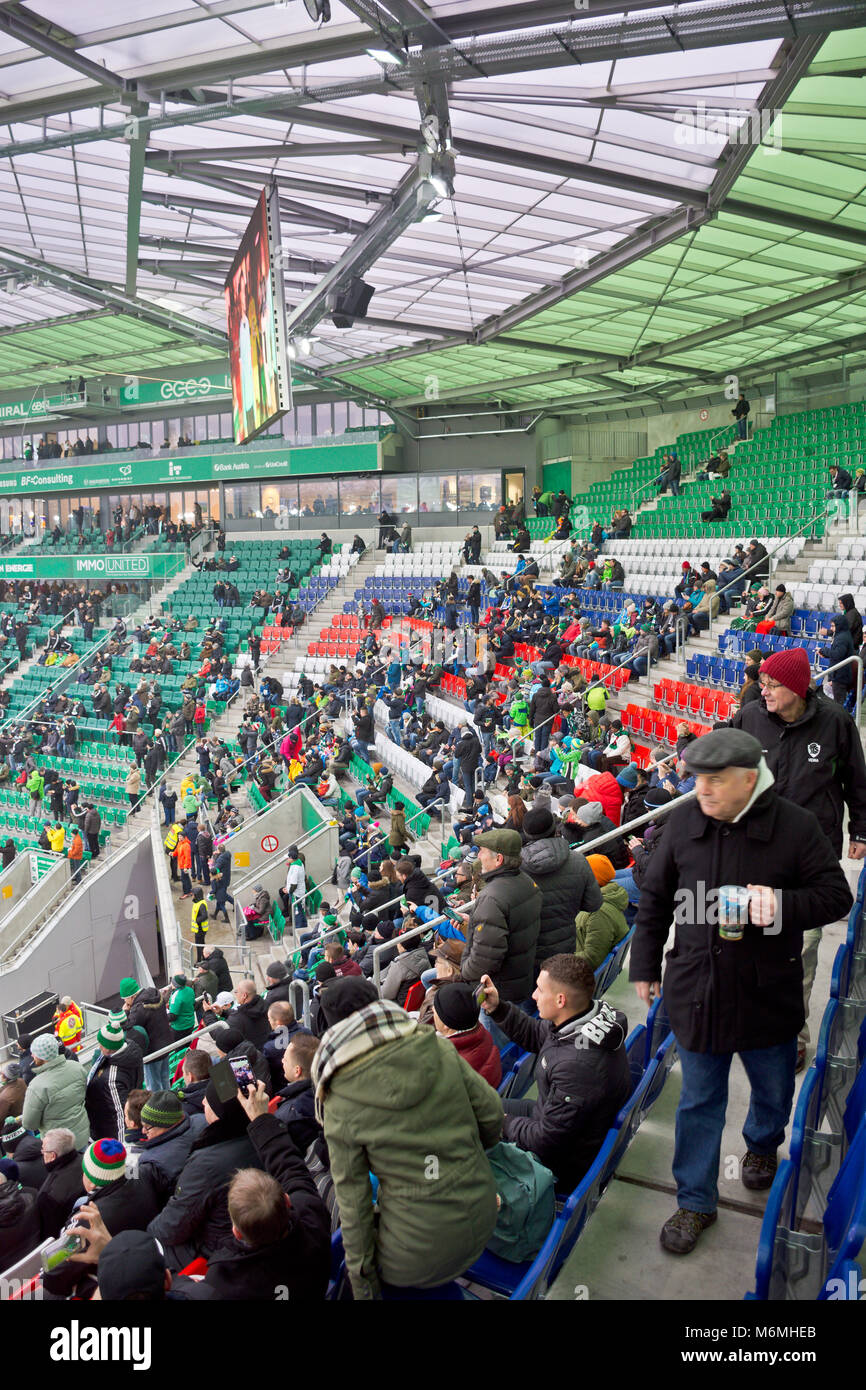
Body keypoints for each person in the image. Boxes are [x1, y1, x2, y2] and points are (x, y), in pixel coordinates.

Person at [629, 728, 852, 1255]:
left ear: (748, 779)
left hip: (765, 993)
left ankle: (760, 1145)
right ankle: (694, 1201)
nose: (701, 790)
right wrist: (645, 964)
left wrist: (780, 906)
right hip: (698, 991)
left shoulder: (796, 827)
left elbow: (835, 896)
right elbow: (655, 899)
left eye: (714, 780)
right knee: (700, 1100)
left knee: (772, 1089)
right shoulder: (684, 821)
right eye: (698, 779)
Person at [311, 979, 503, 1300]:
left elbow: (354, 1208)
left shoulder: (339, 1097)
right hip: (484, 1216)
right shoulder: (437, 1045)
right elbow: (492, 1116)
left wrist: (364, 1289)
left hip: (418, 1254)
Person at [479, 953, 631, 1192]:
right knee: (478, 1107)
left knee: (478, 1124)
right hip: (552, 1120)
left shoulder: (578, 1067)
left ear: (560, 1000)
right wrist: (499, 1009)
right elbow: (538, 1034)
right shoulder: (581, 1019)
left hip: (562, 1161)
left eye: (540, 989)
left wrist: (503, 1124)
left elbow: (545, 1141)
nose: (533, 995)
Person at [518, 806, 602, 971]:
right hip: (563, 952)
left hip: (527, 953)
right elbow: (593, 903)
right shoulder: (578, 860)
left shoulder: (515, 867)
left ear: (526, 833)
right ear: (554, 828)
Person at [21, 1032, 89, 1150]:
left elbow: (29, 1124)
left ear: (42, 1056)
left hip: (58, 1146)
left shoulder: (37, 1086)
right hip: (82, 1136)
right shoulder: (76, 1067)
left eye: (34, 1053)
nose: (32, 1055)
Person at [84, 1013, 144, 1143]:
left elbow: (121, 1114)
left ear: (108, 1048)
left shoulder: (112, 1078)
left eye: (101, 1044)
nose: (99, 1046)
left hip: (106, 1131)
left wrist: (123, 1146)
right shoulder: (128, 1047)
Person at [431, 982, 501, 1088]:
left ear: (446, 1024)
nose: (432, 1010)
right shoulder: (482, 1033)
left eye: (435, 1010)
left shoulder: (446, 1065)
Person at [574, 855, 631, 969]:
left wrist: (557, 957)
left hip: (577, 976)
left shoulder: (598, 913)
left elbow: (591, 959)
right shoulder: (604, 900)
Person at [120, 976, 174, 1092]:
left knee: (153, 1086)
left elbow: (128, 1025)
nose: (125, 1002)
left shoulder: (139, 1008)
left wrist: (126, 1011)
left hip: (153, 1052)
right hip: (166, 1044)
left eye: (125, 999)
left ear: (132, 996)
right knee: (165, 1079)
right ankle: (169, 1103)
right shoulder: (155, 994)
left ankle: (158, 1108)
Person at [37, 1128, 84, 1238]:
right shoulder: (86, 1160)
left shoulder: (47, 1194)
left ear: (53, 1156)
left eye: (43, 1150)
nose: (42, 1153)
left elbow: (51, 1234)